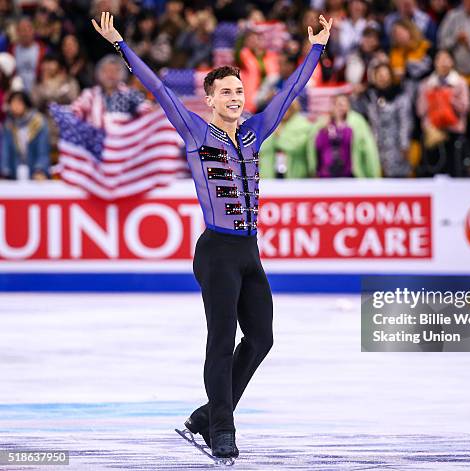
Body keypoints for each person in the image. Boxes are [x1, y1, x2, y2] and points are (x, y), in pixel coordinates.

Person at [91, 10, 332, 459]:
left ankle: (207, 414)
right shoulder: (196, 132)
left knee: (261, 338)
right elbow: (159, 89)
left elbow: (292, 89)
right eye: (227, 92)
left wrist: (317, 46)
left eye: (239, 91)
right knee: (221, 339)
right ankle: (222, 427)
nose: (236, 97)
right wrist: (122, 44)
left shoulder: (256, 132)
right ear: (210, 98)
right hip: (216, 250)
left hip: (249, 250)